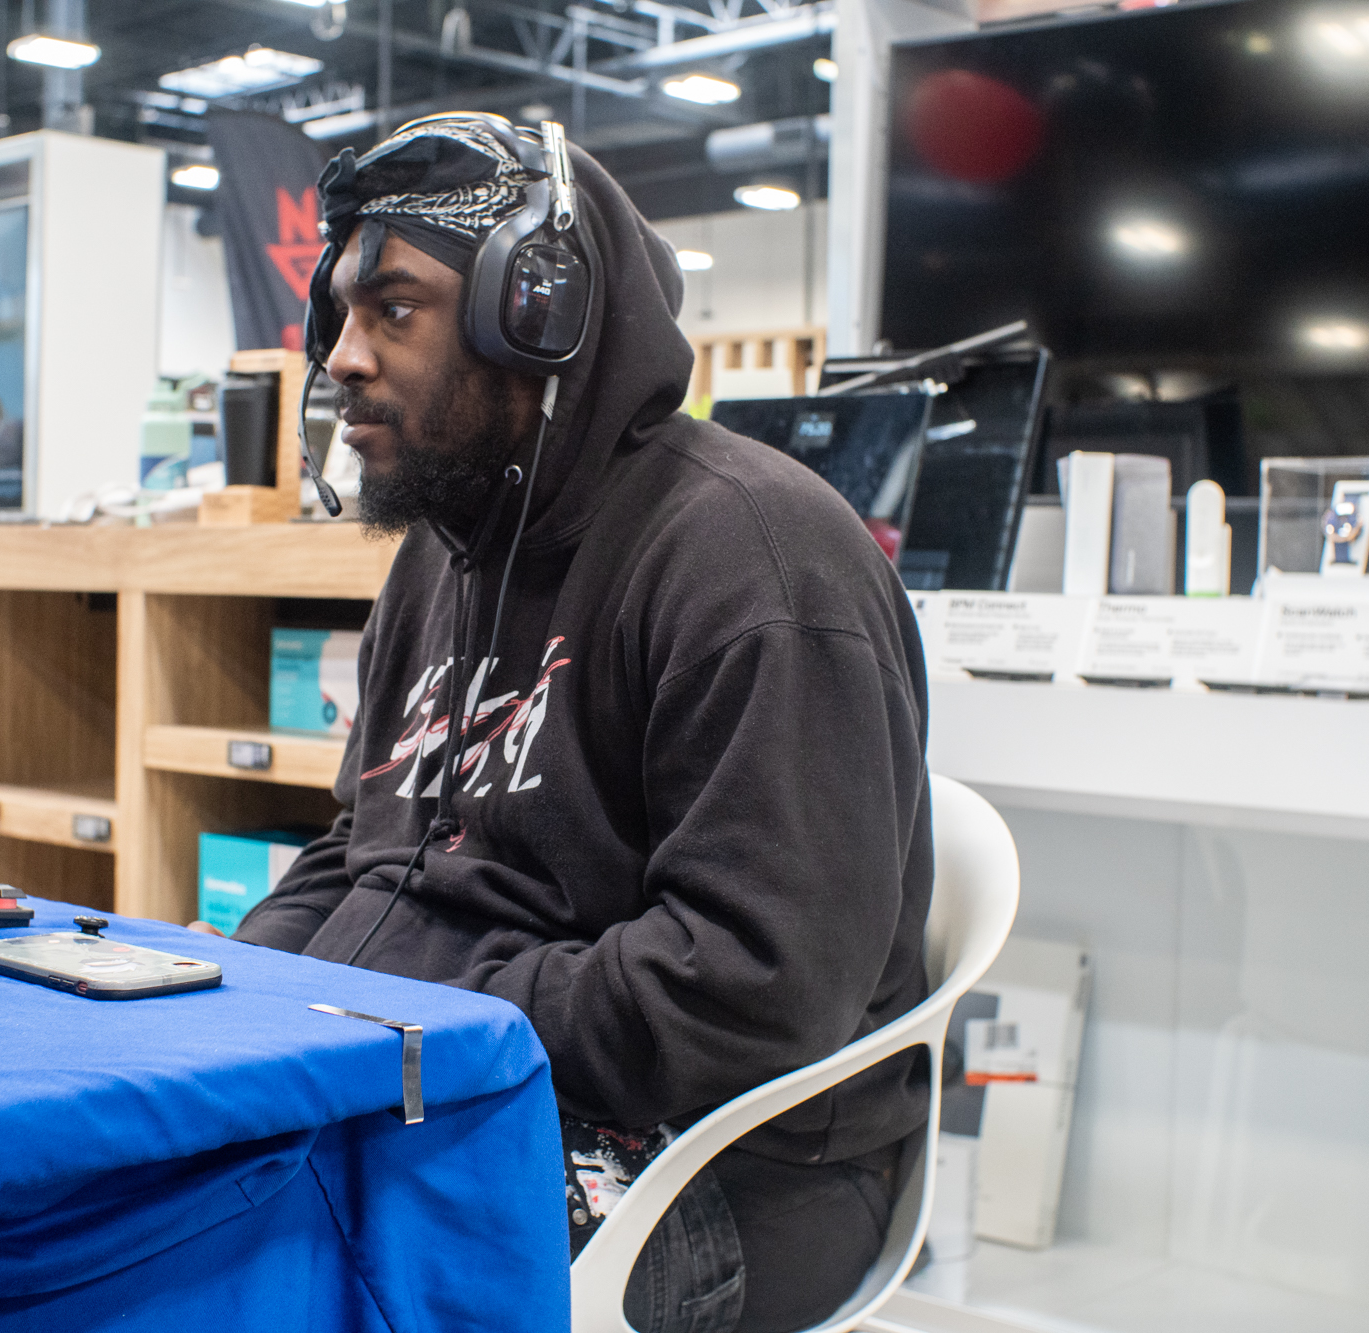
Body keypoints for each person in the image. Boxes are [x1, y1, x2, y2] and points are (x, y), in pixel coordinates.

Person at [208, 114, 933, 1333]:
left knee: (266, 1263)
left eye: (392, 311)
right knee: (141, 1183)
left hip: (733, 1161)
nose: (339, 356)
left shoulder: (754, 564)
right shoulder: (440, 557)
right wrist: (233, 987)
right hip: (483, 1072)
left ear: (534, 319)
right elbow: (361, 851)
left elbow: (751, 988)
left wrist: (410, 1014)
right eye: (336, 316)